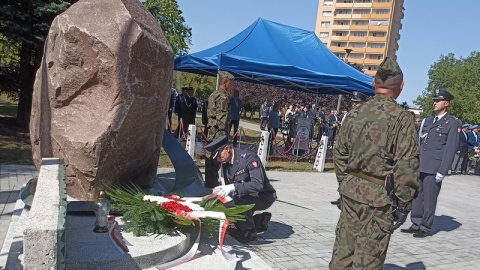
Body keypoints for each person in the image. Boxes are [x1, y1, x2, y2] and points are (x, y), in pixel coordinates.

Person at [330, 57, 419, 269]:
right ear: (401, 86)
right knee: (368, 259)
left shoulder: (355, 113)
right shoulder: (402, 118)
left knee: (343, 253)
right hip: (380, 198)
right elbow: (407, 165)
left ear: (373, 84)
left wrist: (346, 183)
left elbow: (339, 153)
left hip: (351, 192)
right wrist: (404, 203)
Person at [401, 88, 460, 238]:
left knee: (429, 198)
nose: (434, 103)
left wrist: (443, 169)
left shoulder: (452, 123)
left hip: (434, 167)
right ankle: (416, 223)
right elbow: (419, 142)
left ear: (446, 103)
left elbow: (450, 148)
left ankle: (425, 227)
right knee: (417, 196)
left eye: (438, 100)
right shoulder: (427, 120)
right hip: (421, 164)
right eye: (434, 100)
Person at [205, 135, 276, 243]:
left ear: (227, 149)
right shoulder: (226, 162)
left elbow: (258, 185)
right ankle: (260, 220)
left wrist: (234, 187)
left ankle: (249, 232)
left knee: (237, 199)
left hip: (263, 196)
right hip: (247, 196)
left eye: (219, 155)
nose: (219, 159)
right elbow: (227, 185)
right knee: (227, 202)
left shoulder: (249, 158)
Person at [331, 90, 368, 206]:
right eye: (353, 102)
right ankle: (342, 196)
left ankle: (349, 198)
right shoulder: (350, 114)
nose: (353, 104)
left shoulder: (366, 116)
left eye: (356, 102)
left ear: (362, 102)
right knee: (343, 174)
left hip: (357, 151)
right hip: (345, 150)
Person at [204, 71, 234, 188]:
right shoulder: (223, 97)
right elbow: (223, 117)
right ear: (225, 82)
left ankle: (209, 181)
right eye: (230, 83)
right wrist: (224, 135)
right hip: (219, 133)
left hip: (212, 131)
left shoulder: (213, 94)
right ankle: (212, 182)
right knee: (216, 156)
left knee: (210, 155)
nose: (230, 85)